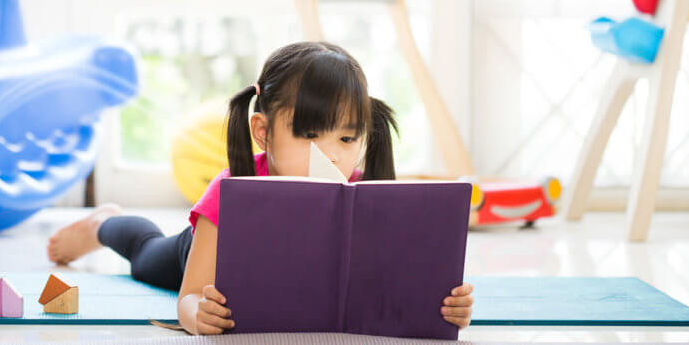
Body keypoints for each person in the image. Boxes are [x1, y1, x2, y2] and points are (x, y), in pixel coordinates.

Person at [47, 41, 474, 335]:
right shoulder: (230, 192)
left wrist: (447, 304)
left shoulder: (365, 195)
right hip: (195, 257)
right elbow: (189, 297)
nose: (334, 157)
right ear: (263, 132)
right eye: (309, 135)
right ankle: (104, 223)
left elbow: (393, 282)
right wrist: (199, 315)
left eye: (347, 139)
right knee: (145, 254)